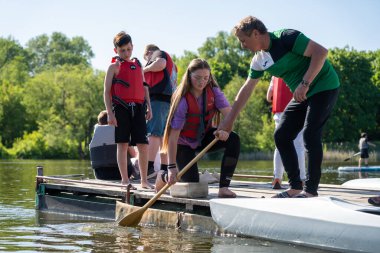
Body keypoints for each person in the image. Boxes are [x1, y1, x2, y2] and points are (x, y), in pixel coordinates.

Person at [218, 16, 340, 198]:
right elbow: (246, 90)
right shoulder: (258, 60)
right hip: (302, 94)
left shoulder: (286, 37)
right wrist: (229, 120)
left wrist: (305, 83)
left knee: (310, 134)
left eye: (243, 40)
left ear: (256, 33)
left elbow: (321, 52)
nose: (242, 45)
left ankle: (311, 190)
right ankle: (295, 186)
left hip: (324, 85)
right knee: (281, 135)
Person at [156, 58, 240, 198]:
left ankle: (224, 187)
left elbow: (229, 115)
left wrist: (224, 129)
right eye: (198, 78)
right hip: (183, 144)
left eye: (206, 78)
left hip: (203, 137)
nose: (202, 82)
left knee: (234, 139)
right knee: (192, 184)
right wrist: (170, 168)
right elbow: (173, 137)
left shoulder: (214, 91)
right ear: (189, 76)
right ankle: (162, 176)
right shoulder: (182, 100)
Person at [103, 31, 153, 189]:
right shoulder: (113, 67)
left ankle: (144, 181)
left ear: (132, 47)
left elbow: (144, 88)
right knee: (122, 144)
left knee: (143, 145)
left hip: (139, 108)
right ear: (116, 51)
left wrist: (149, 108)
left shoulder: (138, 65)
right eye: (122, 50)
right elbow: (106, 91)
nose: (126, 53)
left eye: (128, 49)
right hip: (121, 109)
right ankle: (125, 180)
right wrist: (110, 113)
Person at [143, 44, 177, 179]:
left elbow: (161, 64)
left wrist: (143, 70)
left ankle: (149, 168)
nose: (146, 60)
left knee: (154, 133)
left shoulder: (159, 53)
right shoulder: (173, 64)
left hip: (158, 99)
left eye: (146, 57)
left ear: (149, 52)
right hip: (168, 100)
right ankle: (164, 169)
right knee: (163, 136)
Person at [266, 77, 306, 189]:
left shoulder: (275, 74)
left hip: (279, 112)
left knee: (279, 145)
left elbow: (269, 97)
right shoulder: (299, 69)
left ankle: (277, 178)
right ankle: (301, 179)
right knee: (299, 145)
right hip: (296, 109)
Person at [89, 110, 139, 180]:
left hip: (100, 175)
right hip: (121, 174)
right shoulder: (120, 132)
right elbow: (133, 154)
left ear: (99, 123)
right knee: (136, 160)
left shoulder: (96, 135)